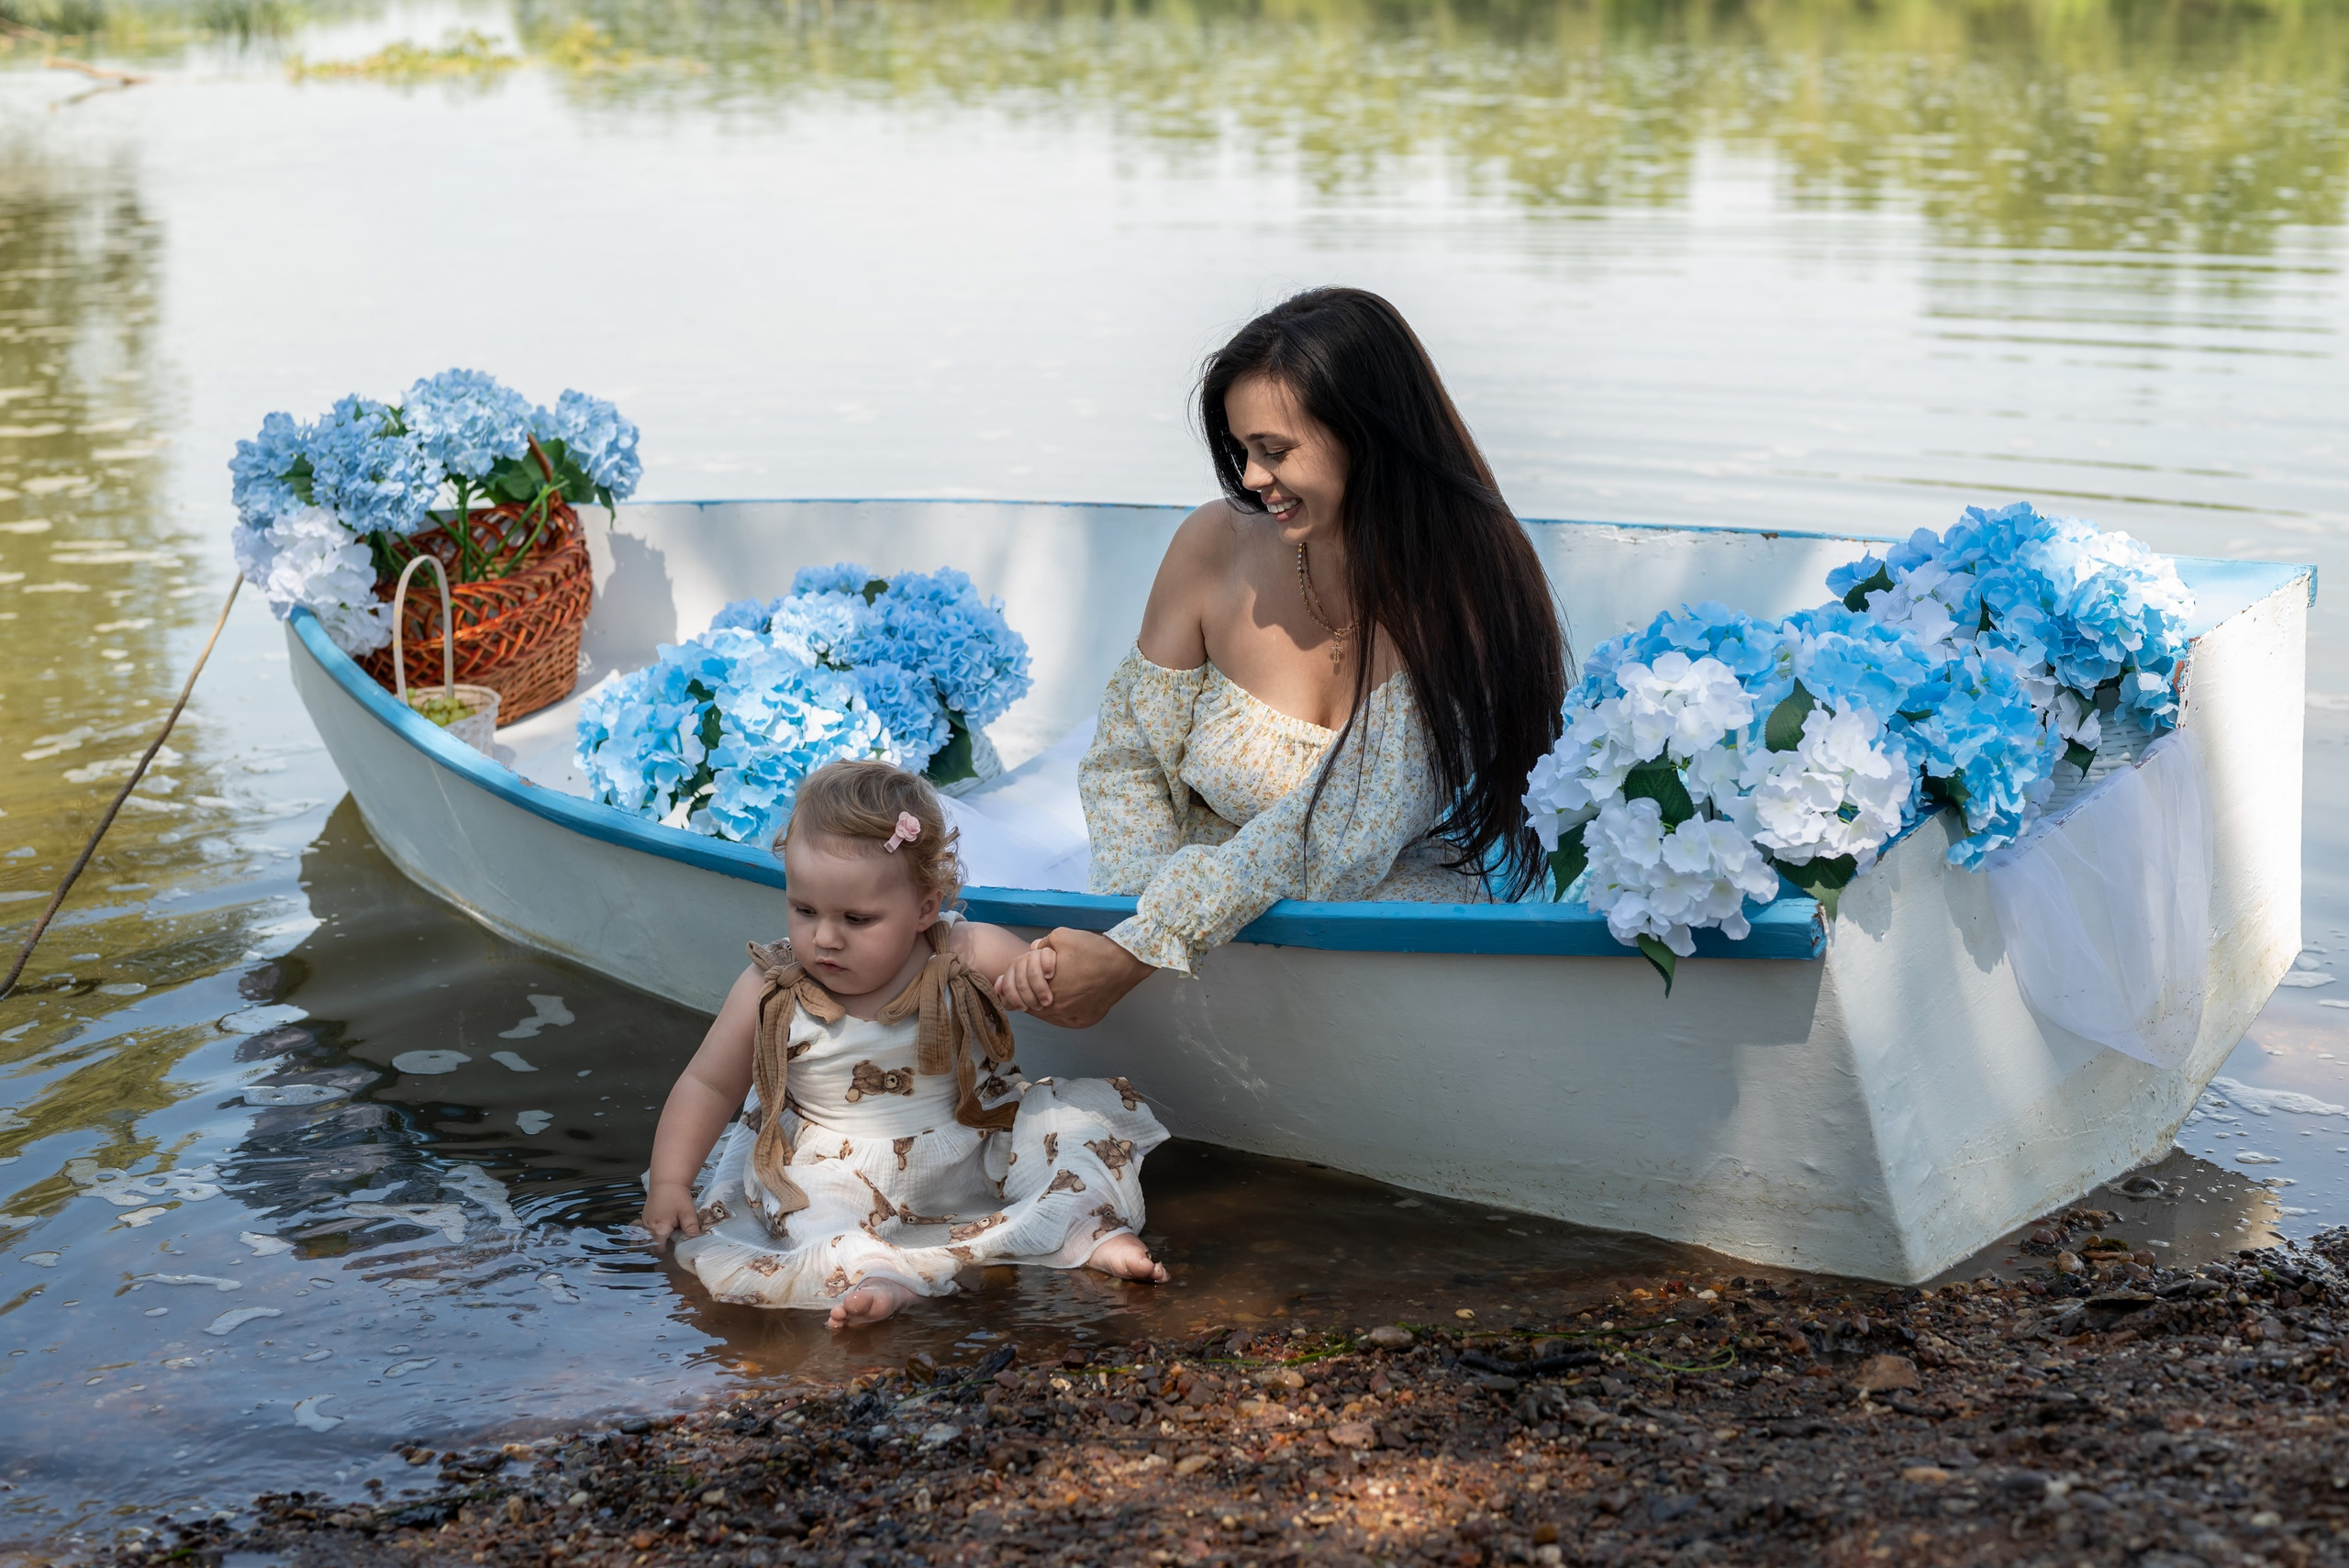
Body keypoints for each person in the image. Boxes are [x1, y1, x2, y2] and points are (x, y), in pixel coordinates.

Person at [995, 287, 1568, 1026]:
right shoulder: (1215, 544)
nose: (1251, 478)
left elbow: (1338, 836)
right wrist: (1129, 913)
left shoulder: (1465, 599)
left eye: (1274, 451)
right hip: (1171, 905)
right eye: (1242, 450)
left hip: (1361, 909)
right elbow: (1127, 758)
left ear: (1366, 435)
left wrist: (1139, 948)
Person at [640, 759, 1169, 1329]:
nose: (824, 937)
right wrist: (670, 1181)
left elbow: (1043, 983)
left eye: (856, 918)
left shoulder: (960, 953)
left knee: (1070, 1132)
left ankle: (1088, 1233)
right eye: (804, 910)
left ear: (925, 907)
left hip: (969, 1144)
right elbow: (709, 1084)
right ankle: (880, 1278)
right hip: (835, 1162)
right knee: (813, 1212)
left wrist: (1036, 971)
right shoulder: (775, 988)